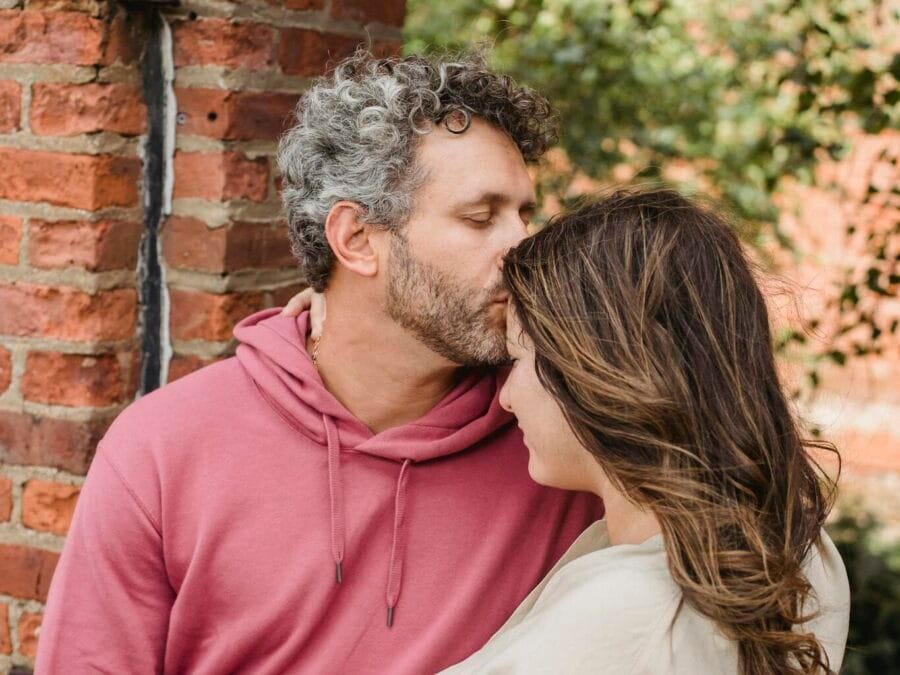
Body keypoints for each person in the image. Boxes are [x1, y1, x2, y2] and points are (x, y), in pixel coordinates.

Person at [34, 53, 601, 674]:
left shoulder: (564, 435)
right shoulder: (164, 448)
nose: (523, 249)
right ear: (356, 240)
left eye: (525, 215)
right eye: (480, 217)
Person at [440, 188, 850, 673]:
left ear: (595, 368)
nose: (506, 397)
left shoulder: (622, 622)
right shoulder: (798, 555)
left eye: (518, 359)